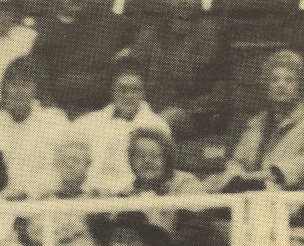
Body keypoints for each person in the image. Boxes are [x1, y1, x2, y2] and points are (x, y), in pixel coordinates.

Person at [126, 0, 230, 140]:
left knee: (160, 122)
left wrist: (186, 107)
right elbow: (133, 71)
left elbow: (218, 92)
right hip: (152, 106)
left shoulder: (212, 34)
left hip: (196, 113)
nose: (183, 2)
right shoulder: (153, 32)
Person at [206, 50, 304, 193]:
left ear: (299, 87)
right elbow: (238, 161)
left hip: (287, 196)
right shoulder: (256, 123)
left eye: (289, 80)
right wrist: (237, 176)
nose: (281, 85)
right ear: (268, 87)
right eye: (274, 80)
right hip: (249, 191)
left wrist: (273, 173)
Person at [0, 56, 68, 200]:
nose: (18, 91)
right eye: (12, 84)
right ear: (5, 88)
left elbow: (58, 170)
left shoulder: (54, 120)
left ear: (36, 89)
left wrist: (27, 192)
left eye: (25, 84)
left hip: (39, 201)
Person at [72, 63, 171, 197]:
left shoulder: (156, 125)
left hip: (135, 197)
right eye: (122, 89)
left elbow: (158, 173)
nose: (128, 96)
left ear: (143, 93)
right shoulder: (87, 123)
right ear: (112, 91)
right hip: (90, 196)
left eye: (135, 90)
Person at [29, 0, 134, 118]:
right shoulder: (51, 26)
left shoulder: (114, 24)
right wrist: (52, 108)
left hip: (100, 111)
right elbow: (36, 70)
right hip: (56, 110)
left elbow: (126, 63)